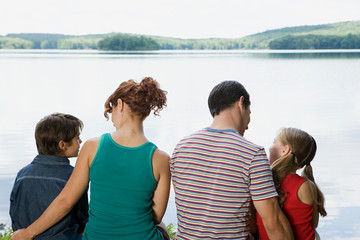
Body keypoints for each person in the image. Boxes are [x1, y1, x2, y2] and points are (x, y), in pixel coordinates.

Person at [11, 77, 171, 240]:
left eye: (112, 109)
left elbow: (65, 201)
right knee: (162, 227)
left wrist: (28, 232)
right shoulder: (161, 159)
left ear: (120, 105)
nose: (112, 117)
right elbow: (156, 217)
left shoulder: (92, 146)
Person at [170, 80, 293, 239]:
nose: (248, 125)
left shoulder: (181, 148)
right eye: (250, 113)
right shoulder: (252, 154)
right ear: (241, 103)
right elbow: (273, 224)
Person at [9, 113, 88, 240]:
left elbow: (15, 211)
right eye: (77, 138)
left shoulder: (22, 174)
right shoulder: (74, 175)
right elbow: (82, 217)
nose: (80, 141)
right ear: (62, 145)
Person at [256, 127, 327, 240]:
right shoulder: (306, 186)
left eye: (274, 142)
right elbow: (314, 224)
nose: (270, 147)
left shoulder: (262, 180)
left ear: (285, 150)